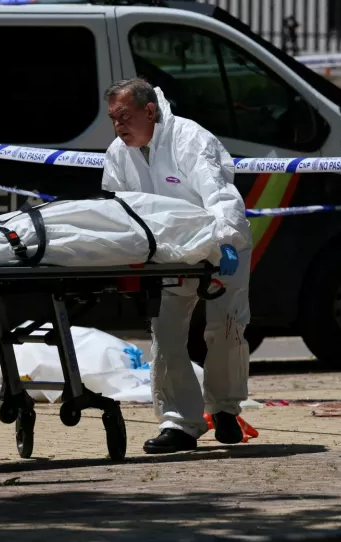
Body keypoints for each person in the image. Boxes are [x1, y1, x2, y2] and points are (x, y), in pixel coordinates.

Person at [101, 77, 253, 454]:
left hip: (217, 244)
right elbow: (119, 211)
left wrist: (226, 244)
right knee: (166, 334)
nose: (118, 126)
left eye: (124, 116)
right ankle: (179, 423)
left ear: (149, 111)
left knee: (226, 329)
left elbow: (220, 196)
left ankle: (225, 410)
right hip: (167, 253)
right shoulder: (118, 155)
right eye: (113, 118)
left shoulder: (190, 139)